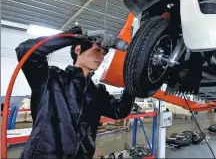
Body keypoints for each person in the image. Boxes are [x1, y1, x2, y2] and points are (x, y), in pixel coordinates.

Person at [15, 26, 135, 159]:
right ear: (78, 49)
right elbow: (25, 50)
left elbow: (119, 111)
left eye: (103, 53)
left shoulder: (97, 92)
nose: (101, 57)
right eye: (97, 50)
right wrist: (75, 35)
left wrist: (133, 80)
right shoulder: (51, 78)